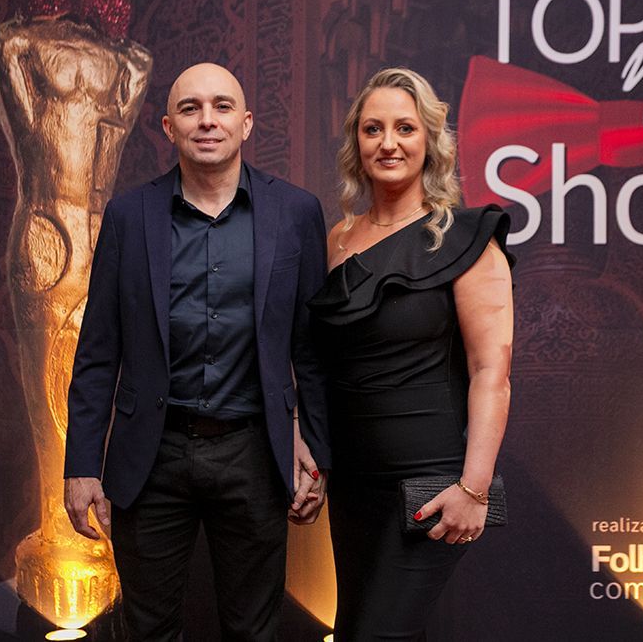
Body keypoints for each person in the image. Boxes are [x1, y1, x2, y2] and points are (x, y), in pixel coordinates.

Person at [63, 62, 331, 641]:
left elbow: (312, 349)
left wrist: (316, 448)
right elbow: (98, 350)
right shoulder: (129, 216)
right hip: (150, 455)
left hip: (254, 453)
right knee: (148, 630)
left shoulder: (296, 212)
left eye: (222, 106)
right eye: (190, 108)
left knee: (253, 631)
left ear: (247, 123)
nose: (207, 120)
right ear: (168, 127)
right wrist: (82, 464)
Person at [307, 67, 515, 640]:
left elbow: (491, 373)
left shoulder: (468, 240)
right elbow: (318, 363)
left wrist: (474, 488)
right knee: (356, 628)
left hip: (434, 484)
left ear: (430, 140)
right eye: (372, 129)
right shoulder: (336, 240)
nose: (388, 143)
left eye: (405, 127)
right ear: (356, 143)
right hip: (354, 483)